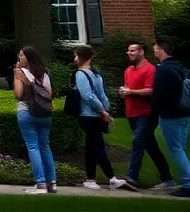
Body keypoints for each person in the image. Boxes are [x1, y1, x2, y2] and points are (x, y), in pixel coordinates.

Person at [119, 40, 174, 191]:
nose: (129, 53)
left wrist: (129, 92)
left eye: (132, 51)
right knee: (151, 147)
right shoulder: (128, 70)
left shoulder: (150, 69)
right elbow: (130, 89)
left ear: (141, 52)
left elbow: (150, 91)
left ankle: (131, 178)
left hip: (147, 114)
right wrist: (124, 91)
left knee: (137, 143)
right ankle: (168, 179)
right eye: (128, 51)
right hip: (132, 114)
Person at [72, 45, 126, 190]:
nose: (75, 58)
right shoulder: (95, 75)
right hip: (89, 116)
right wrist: (103, 110)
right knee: (98, 146)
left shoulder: (82, 74)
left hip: (90, 114)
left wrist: (103, 111)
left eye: (77, 55)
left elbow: (90, 96)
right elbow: (91, 96)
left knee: (92, 147)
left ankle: (90, 179)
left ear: (85, 57)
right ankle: (112, 178)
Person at [14, 45, 57, 194]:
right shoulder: (43, 74)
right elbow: (49, 93)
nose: (19, 58)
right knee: (45, 146)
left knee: (33, 146)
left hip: (27, 112)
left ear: (27, 58)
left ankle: (40, 183)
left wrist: (16, 76)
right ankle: (52, 182)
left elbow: (18, 94)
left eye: (21, 56)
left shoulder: (21, 73)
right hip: (45, 114)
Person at [152, 39, 190, 198]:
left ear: (160, 51)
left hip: (171, 114)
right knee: (180, 149)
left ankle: (188, 183)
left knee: (175, 149)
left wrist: (154, 111)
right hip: (186, 113)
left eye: (155, 50)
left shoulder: (163, 70)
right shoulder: (182, 68)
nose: (154, 53)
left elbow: (159, 94)